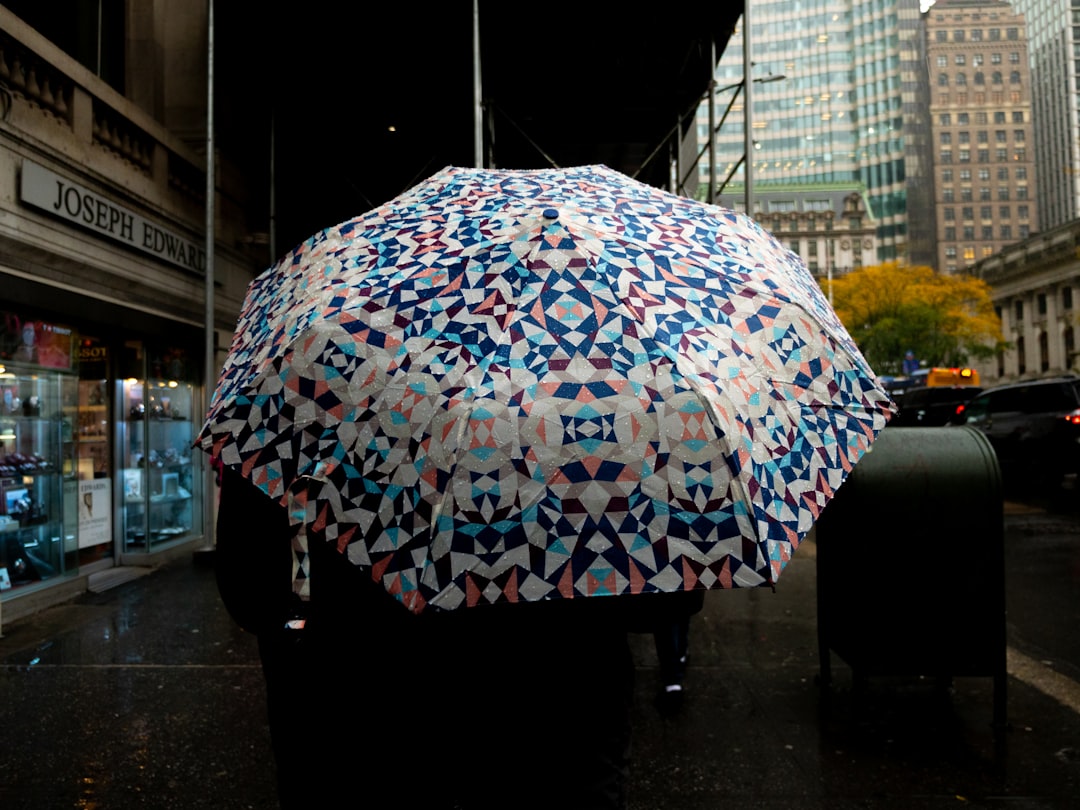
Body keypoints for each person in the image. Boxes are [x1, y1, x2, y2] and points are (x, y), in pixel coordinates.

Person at [215, 466, 635, 809]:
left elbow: (248, 595)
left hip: (329, 708)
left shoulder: (290, 412)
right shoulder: (556, 417)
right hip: (522, 713)